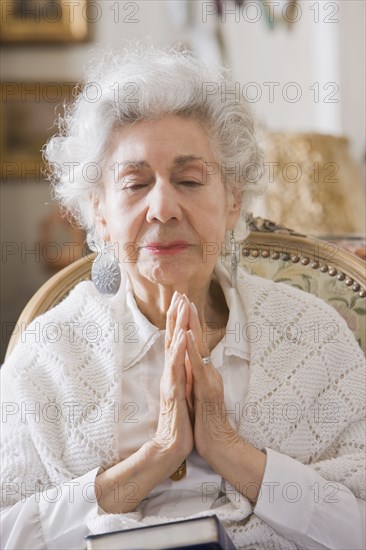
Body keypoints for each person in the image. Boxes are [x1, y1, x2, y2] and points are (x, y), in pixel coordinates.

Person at [1, 45, 365, 550]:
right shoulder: (50, 353)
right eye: (135, 183)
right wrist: (152, 459)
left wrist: (232, 452)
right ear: (99, 211)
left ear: (233, 199)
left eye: (189, 180)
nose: (163, 207)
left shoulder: (313, 334)